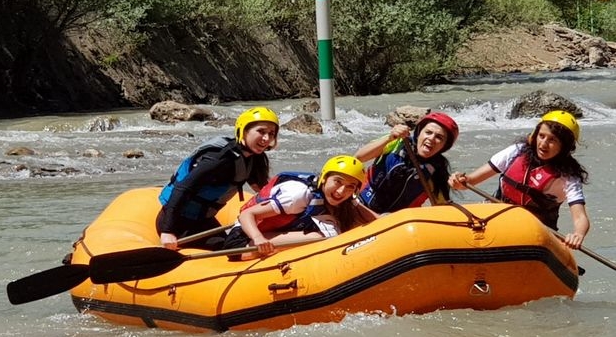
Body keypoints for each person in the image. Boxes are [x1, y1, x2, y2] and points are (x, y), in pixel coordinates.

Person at [448, 110, 589, 249]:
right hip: (495, 217)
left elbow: (580, 217)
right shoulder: (517, 151)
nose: (544, 144)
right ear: (534, 135)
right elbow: (469, 182)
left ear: (564, 146)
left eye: (552, 140)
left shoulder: (568, 176)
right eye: (541, 136)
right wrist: (459, 181)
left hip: (534, 231)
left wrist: (578, 234)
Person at [156, 107, 279, 251]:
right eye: (261, 131)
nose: (266, 138)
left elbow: (264, 191)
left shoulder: (254, 158)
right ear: (244, 130)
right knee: (230, 250)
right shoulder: (219, 158)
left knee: (232, 243)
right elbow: (183, 188)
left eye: (271, 134)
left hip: (203, 221)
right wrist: (167, 232)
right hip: (178, 223)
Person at [222, 155, 379, 260]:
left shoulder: (346, 200)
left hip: (275, 233)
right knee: (322, 238)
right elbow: (247, 215)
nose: (341, 191)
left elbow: (378, 221)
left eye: (350, 187)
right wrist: (257, 238)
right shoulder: (298, 195)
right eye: (337, 182)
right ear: (324, 179)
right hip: (243, 241)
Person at [355, 112, 459, 214]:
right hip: (361, 205)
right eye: (428, 132)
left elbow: (441, 208)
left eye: (439, 137)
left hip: (397, 223)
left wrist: (457, 182)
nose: (431, 138)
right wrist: (390, 138)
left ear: (444, 146)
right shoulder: (396, 142)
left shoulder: (437, 171)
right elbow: (359, 157)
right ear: (419, 133)